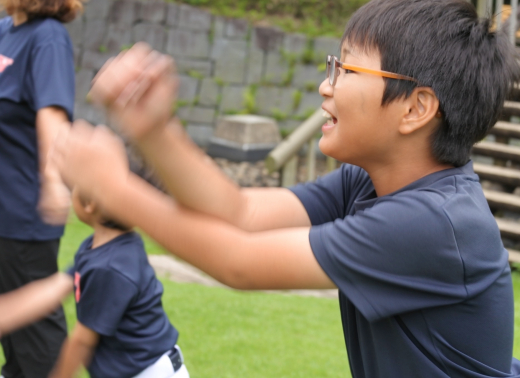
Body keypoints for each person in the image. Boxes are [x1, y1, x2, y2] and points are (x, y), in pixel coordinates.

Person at [51, 0, 520, 376]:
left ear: (416, 109)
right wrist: (155, 130)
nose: (325, 85)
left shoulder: (434, 224)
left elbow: (238, 263)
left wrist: (116, 187)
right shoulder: (372, 183)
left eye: (348, 71)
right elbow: (239, 213)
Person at [0, 0, 84, 376]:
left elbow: (52, 112)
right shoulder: (7, 30)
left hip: (20, 213)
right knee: (10, 328)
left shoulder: (48, 38)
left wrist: (54, 180)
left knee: (37, 336)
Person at [0, 186, 189, 378]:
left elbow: (82, 341)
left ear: (90, 205)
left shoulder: (110, 268)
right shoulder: (100, 248)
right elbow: (55, 287)